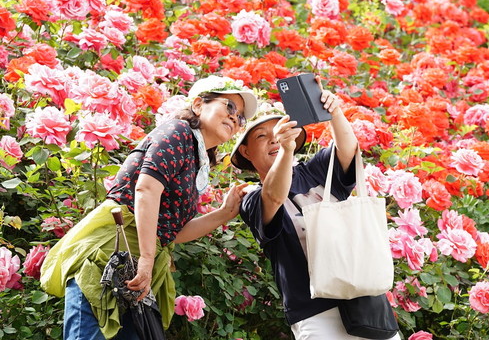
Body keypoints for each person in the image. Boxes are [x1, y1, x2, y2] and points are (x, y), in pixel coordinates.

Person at [40, 75, 258, 340]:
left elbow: (171, 232)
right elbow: (146, 189)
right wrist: (145, 259)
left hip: (136, 269)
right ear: (199, 105)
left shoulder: (196, 158)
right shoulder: (178, 132)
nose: (236, 118)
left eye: (242, 117)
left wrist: (224, 213)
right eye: (230, 107)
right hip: (111, 257)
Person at [232, 79, 401, 339]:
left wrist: (333, 112)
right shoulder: (251, 198)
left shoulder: (316, 170)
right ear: (246, 151)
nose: (274, 140)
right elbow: (274, 198)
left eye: (278, 132)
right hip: (312, 311)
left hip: (364, 300)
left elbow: (349, 151)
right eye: (261, 136)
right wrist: (286, 151)